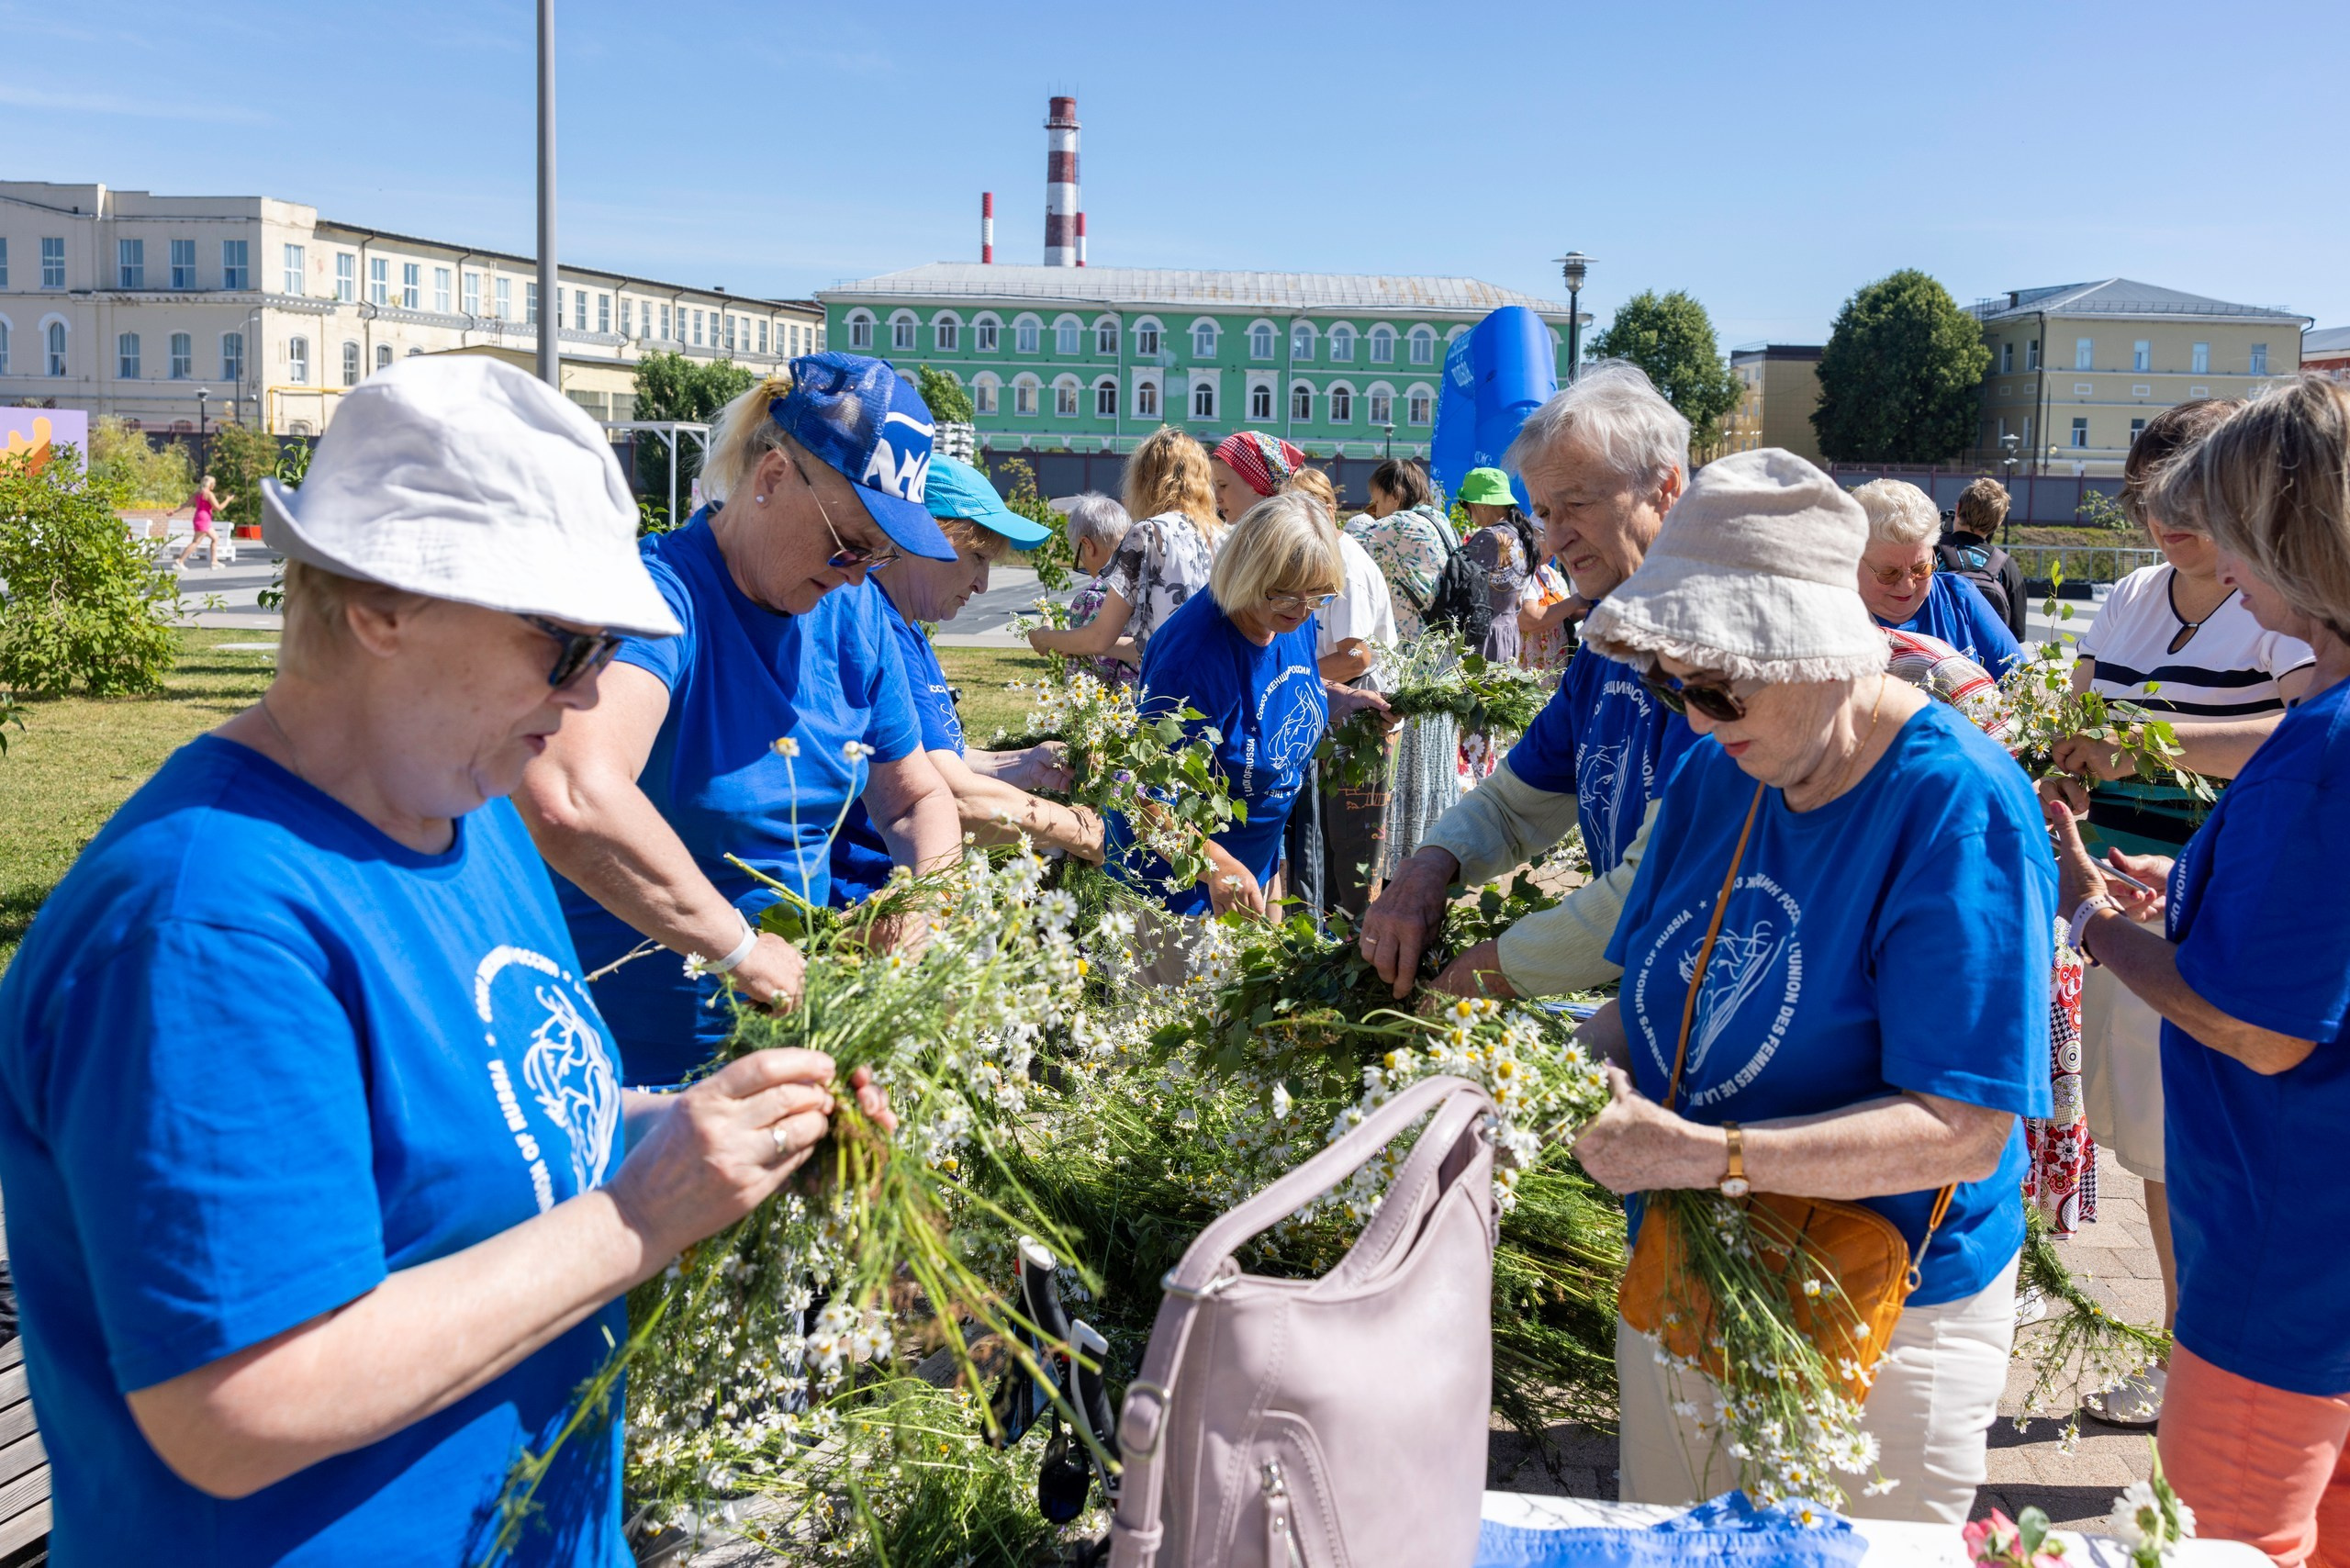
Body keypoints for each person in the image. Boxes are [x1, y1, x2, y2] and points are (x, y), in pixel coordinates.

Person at [0, 356, 891, 1561]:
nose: (588, 699)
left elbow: (519, 1125)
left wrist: (715, 1134)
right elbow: (241, 1402)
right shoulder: (204, 927)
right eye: (565, 648)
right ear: (384, 604)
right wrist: (642, 1214)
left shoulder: (469, 821)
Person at [1566, 446, 2054, 1521]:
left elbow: (1962, 1128)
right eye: (1671, 685)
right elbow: (1654, 1000)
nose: (1696, 717)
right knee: (1676, 1536)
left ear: (1822, 650)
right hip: (1692, 1260)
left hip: (1883, 1299)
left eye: (1717, 685)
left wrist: (1709, 1157)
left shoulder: (1956, 808)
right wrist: (1559, 1071)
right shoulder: (1716, 769)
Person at [2044, 376, 2350, 1564]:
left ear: (2289, 538)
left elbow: (2259, 1026)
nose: (2216, 558)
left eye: (2229, 529)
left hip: (2282, 1262)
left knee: (2226, 1540)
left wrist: (2092, 918)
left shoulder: (2319, 747)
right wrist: (2192, 894)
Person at [519, 354, 963, 1090]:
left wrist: (925, 909)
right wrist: (738, 949)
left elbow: (915, 798)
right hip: (625, 1076)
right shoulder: (660, 601)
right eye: (852, 543)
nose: (858, 573)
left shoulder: (853, 611)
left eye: (881, 555)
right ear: (774, 478)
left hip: (781, 1052)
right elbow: (570, 788)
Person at [1359, 363, 1695, 1002]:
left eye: (1578, 504)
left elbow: (1663, 880)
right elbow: (1518, 800)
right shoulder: (1609, 635)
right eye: (1543, 511)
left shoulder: (1717, 646)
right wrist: (1430, 865)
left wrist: (1488, 971)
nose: (1556, 538)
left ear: (1664, 488)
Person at [829, 456, 1104, 902]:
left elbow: (932, 757)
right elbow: (949, 794)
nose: (983, 584)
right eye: (977, 557)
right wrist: (1077, 829)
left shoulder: (906, 627)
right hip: (865, 896)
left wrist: (1025, 763)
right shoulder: (880, 625)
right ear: (926, 535)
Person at [1106, 491, 1387, 922]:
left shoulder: (1287, 615)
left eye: (1318, 596)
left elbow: (1286, 685)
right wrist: (1217, 865)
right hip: (1181, 894)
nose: (1303, 611)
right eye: (1288, 597)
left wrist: (1341, 699)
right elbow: (1140, 797)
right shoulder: (1192, 661)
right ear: (1249, 573)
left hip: (1255, 866)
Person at [1281, 463, 1397, 925]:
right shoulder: (1328, 556)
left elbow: (1356, 656)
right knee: (1334, 841)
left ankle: (1356, 940)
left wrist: (1292, 675)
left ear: (1328, 511)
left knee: (1353, 849)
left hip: (1359, 718)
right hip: (1341, 712)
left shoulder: (1345, 564)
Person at [1348, 457, 1464, 872]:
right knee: (1435, 763)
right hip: (1442, 660)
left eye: (1377, 499)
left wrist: (1364, 517)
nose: (1374, 508)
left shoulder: (1399, 526)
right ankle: (1438, 849)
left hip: (1413, 662)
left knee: (1408, 765)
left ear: (1395, 494)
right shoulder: (1441, 524)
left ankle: (1403, 858)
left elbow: (1348, 538)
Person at [1027, 425, 1220, 670]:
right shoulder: (1220, 535)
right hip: (1216, 679)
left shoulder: (1149, 533)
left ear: (1145, 479)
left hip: (1170, 683)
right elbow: (1143, 645)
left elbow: (1100, 637)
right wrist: (1071, 642)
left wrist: (1045, 637)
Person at [1852, 478, 2022, 678]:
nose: (1907, 586)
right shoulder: (1830, 619)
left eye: (1920, 569)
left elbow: (2023, 682)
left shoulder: (1959, 597)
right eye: (1889, 573)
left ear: (1933, 554)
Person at [1457, 465, 1538, 666]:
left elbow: (1460, 588)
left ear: (1482, 504)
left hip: (1482, 638)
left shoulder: (1489, 537)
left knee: (1477, 686)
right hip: (1509, 633)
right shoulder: (1520, 535)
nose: (1466, 512)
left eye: (1466, 504)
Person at [1058, 491, 1138, 687]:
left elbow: (1088, 680)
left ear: (1087, 546)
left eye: (1079, 556)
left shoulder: (1093, 599)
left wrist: (1067, 642)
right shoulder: (1146, 584)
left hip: (1118, 704)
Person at [1945, 476, 2028, 644]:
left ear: (1958, 508)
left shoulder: (1931, 552)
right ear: (1999, 522)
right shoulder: (2006, 566)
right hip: (1987, 659)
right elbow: (2016, 635)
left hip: (1936, 654)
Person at [173, 473, 235, 570]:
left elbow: (186, 504)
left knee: (215, 538)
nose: (214, 485)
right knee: (196, 542)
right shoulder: (209, 494)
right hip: (204, 519)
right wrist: (228, 500)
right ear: (210, 484)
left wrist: (174, 511)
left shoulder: (197, 493)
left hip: (199, 518)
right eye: (214, 483)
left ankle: (214, 562)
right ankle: (180, 561)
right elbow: (218, 508)